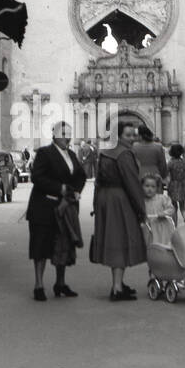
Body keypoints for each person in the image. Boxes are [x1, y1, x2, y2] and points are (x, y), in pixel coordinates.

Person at [26, 122, 86, 300]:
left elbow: (81, 176)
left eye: (69, 134)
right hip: (44, 207)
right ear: (55, 135)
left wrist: (75, 191)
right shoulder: (45, 153)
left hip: (65, 208)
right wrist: (59, 188)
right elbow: (37, 177)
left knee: (63, 245)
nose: (67, 137)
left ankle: (60, 283)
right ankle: (39, 285)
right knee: (41, 246)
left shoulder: (72, 155)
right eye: (63, 134)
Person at [93, 120, 147, 300]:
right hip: (120, 200)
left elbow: (98, 181)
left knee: (114, 240)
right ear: (119, 136)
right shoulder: (124, 154)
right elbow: (132, 183)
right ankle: (116, 288)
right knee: (120, 240)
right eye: (128, 135)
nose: (132, 138)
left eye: (134, 134)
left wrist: (96, 204)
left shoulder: (105, 153)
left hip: (105, 198)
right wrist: (141, 210)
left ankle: (118, 283)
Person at [141, 171, 174, 246]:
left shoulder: (162, 198)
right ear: (142, 186)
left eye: (153, 187)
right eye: (147, 186)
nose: (150, 189)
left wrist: (164, 213)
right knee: (148, 244)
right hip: (147, 227)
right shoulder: (141, 201)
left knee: (161, 244)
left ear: (157, 188)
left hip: (161, 227)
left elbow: (171, 209)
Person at [166, 142, 185, 223]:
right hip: (182, 185)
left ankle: (174, 224)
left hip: (173, 185)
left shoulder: (170, 163)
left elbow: (166, 172)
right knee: (183, 207)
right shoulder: (183, 162)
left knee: (174, 207)